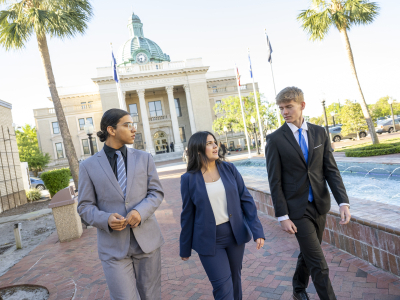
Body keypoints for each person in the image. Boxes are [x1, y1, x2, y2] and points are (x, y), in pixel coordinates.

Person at [265, 87, 351, 300]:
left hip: (320, 205)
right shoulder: (275, 139)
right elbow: (274, 181)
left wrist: (343, 202)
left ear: (302, 106)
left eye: (289, 107)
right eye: (281, 108)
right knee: (319, 263)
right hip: (297, 209)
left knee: (308, 252)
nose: (284, 112)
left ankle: (297, 289)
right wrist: (282, 216)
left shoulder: (319, 132)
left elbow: (330, 169)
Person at [77, 108, 164, 300]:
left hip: (147, 243)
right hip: (113, 248)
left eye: (133, 125)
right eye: (127, 125)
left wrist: (140, 212)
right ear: (111, 130)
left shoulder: (144, 158)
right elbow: (84, 206)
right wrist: (106, 219)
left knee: (151, 297)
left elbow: (156, 192)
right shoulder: (88, 166)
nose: (133, 129)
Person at [180, 131, 265, 300]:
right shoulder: (188, 179)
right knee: (222, 287)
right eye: (209, 143)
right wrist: (185, 247)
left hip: (234, 235)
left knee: (235, 281)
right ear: (198, 150)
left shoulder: (229, 168)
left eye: (215, 142)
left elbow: (246, 199)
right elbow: (187, 215)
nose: (215, 146)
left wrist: (257, 231)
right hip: (209, 239)